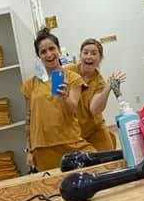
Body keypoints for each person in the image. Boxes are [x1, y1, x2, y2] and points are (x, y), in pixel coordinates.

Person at [21, 30, 95, 171]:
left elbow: (72, 108)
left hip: (70, 141)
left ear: (59, 50)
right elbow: (28, 119)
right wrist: (29, 150)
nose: (49, 54)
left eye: (52, 49)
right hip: (42, 147)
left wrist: (64, 97)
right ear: (38, 56)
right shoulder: (30, 84)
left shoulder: (73, 78)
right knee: (55, 188)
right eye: (43, 52)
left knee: (94, 168)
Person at [70, 38, 126, 151]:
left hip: (94, 129)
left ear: (100, 59)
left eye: (94, 53)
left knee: (108, 157)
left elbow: (94, 109)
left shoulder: (99, 82)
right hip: (72, 131)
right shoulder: (68, 71)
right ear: (80, 55)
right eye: (85, 52)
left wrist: (108, 87)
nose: (89, 56)